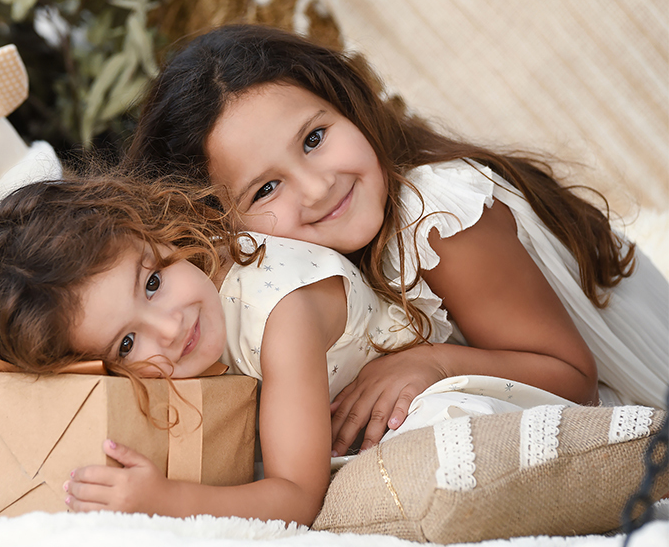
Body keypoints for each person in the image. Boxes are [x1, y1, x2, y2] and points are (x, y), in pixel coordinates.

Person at [125, 24, 669, 456]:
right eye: (266, 188)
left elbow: (575, 380)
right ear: (216, 225)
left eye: (314, 138)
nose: (317, 188)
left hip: (641, 395)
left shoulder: (434, 217)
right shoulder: (280, 275)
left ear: (350, 107)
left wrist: (434, 363)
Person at [0, 173, 570, 523]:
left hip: (425, 392)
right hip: (316, 427)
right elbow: (81, 419)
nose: (170, 328)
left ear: (158, 234)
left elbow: (298, 496)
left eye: (153, 281)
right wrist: (4, 472)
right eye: (126, 341)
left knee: (443, 454)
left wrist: (166, 501)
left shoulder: (279, 309)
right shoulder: (166, 341)